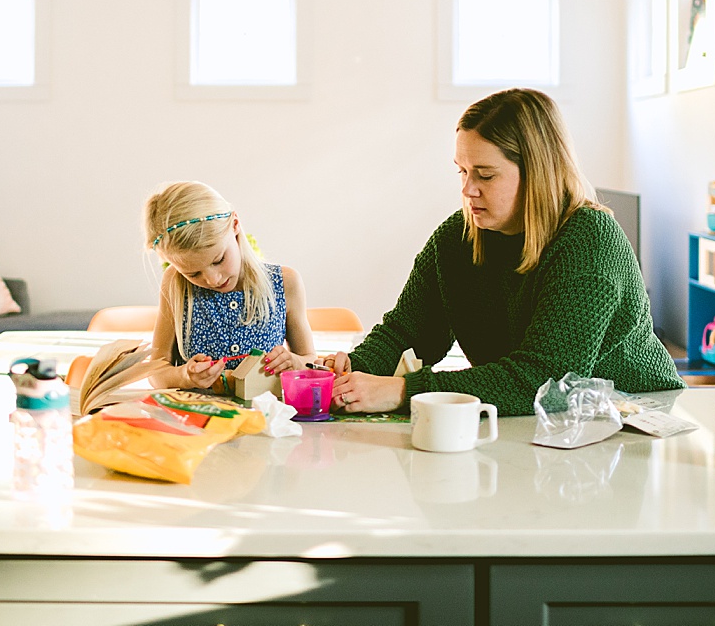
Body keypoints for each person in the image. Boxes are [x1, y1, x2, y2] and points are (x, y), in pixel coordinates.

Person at [329, 88, 684, 416]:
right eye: (462, 171)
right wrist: (352, 369)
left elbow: (545, 381)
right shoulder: (457, 237)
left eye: (485, 175)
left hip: (636, 417)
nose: (468, 189)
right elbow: (406, 332)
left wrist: (403, 391)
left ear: (537, 174)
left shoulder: (590, 240)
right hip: (548, 421)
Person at [143, 181, 315, 390]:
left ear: (235, 225)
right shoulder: (175, 283)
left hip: (267, 416)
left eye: (218, 260)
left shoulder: (285, 282)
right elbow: (155, 371)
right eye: (193, 273)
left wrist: (295, 363)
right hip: (196, 417)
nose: (213, 280)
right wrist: (184, 376)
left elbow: (311, 361)